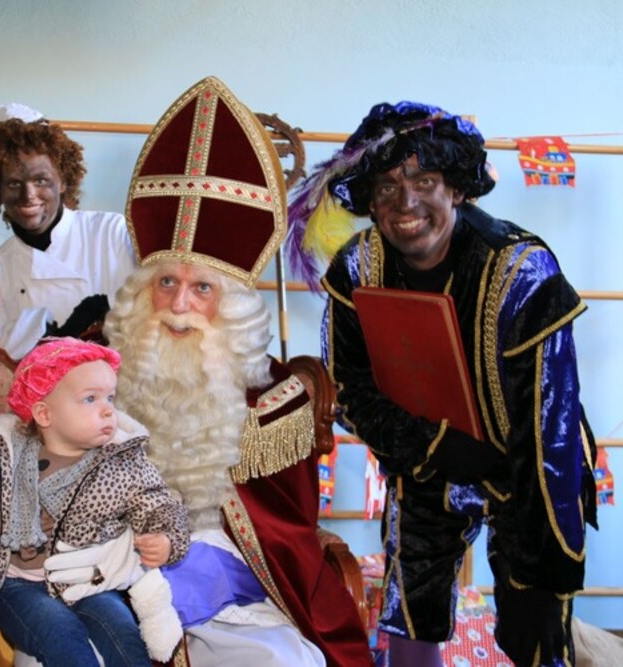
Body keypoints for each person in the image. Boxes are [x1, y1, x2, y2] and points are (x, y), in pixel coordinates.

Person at [47, 77, 372, 667]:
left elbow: (284, 530)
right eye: (167, 282)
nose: (179, 305)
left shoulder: (273, 398)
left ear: (235, 305)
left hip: (230, 591)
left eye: (202, 288)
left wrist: (200, 565)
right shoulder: (92, 370)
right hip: (100, 576)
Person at [311, 101, 598, 667]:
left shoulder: (523, 273)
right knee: (411, 610)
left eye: (424, 181)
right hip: (425, 458)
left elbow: (551, 433)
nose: (405, 202)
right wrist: (435, 447)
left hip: (529, 471)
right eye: (387, 186)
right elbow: (349, 388)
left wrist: (543, 573)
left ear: (458, 189)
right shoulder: (357, 268)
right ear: (369, 200)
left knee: (534, 626)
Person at [0, 337, 190, 666]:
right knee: (60, 633)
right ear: (44, 413)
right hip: (16, 583)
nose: (108, 409)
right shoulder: (1, 454)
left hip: (89, 581)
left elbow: (157, 503)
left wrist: (166, 538)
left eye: (110, 397)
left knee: (122, 633)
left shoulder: (122, 459)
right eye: (90, 398)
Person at [0, 102, 137, 359]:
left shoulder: (112, 232)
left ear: (63, 181)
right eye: (13, 183)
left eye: (40, 180)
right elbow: (0, 362)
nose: (28, 195)